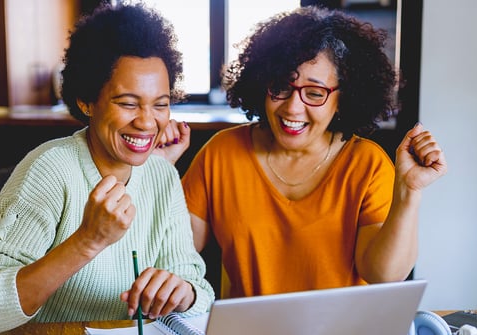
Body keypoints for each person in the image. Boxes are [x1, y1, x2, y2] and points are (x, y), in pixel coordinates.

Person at [0, 3, 214, 334]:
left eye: (161, 104)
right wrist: (88, 240)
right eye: (127, 103)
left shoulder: (162, 176)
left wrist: (183, 293)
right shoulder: (50, 171)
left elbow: (200, 290)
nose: (146, 121)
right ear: (86, 101)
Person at [173, 6, 448, 298]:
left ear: (343, 99)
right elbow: (176, 250)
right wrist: (157, 171)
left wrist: (409, 192)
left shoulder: (367, 164)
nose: (292, 107)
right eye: (280, 87)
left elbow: (383, 275)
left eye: (314, 93)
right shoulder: (222, 153)